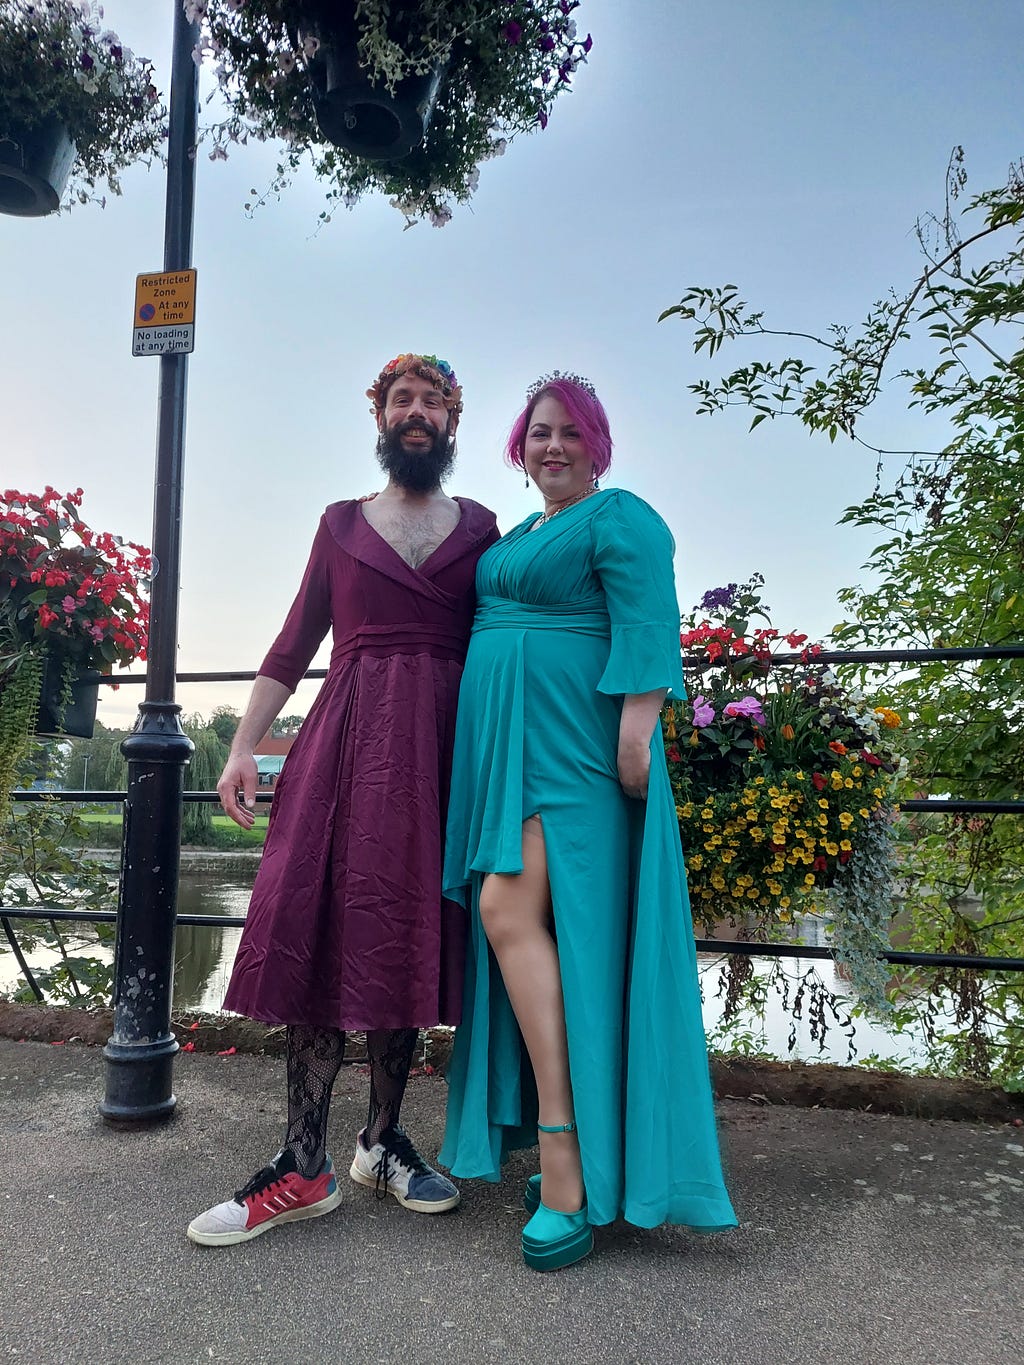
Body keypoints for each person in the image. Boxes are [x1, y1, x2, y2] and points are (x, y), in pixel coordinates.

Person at [187, 354, 499, 1247]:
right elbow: (291, 645)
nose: (416, 412)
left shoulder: (483, 530)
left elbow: (519, 637)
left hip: (441, 755)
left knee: (405, 931)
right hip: (348, 745)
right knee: (323, 926)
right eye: (402, 398)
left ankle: (383, 1139)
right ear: (380, 414)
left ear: (451, 422)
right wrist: (244, 745)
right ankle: (302, 1164)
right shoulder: (339, 524)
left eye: (432, 402)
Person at [438, 372, 737, 1271]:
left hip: (573, 753)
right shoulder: (523, 530)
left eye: (570, 431)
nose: (553, 445)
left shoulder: (622, 518)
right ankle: (579, 1150)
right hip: (507, 752)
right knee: (554, 937)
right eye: (538, 433)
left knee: (507, 911)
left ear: (598, 442)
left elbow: (648, 623)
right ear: (518, 449)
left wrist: (640, 731)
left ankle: (567, 1160)